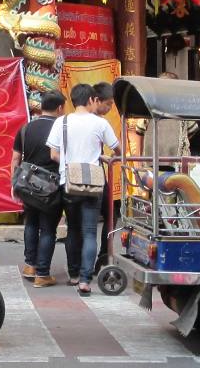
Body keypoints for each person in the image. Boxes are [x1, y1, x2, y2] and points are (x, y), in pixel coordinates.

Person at [46, 83, 120, 296]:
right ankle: (86, 281)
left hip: (68, 182)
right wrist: (100, 158)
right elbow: (117, 149)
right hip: (93, 183)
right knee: (89, 232)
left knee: (73, 229)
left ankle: (74, 275)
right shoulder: (100, 123)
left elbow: (53, 154)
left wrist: (70, 164)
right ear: (90, 100)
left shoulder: (62, 121)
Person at [11, 90, 66, 288]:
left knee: (31, 224)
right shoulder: (62, 129)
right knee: (49, 229)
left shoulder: (26, 128)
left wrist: (14, 184)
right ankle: (42, 274)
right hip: (51, 189)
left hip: (27, 185)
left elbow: (16, 159)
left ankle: (30, 266)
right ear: (60, 108)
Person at [136, 71, 199, 170]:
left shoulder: (183, 107)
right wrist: (139, 158)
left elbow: (190, 131)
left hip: (177, 162)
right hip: (151, 160)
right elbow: (140, 131)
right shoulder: (150, 105)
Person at [92, 82, 118, 272]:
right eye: (108, 104)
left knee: (85, 222)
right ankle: (103, 255)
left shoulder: (69, 120)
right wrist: (110, 157)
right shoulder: (100, 123)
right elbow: (118, 149)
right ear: (96, 100)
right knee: (110, 214)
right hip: (97, 174)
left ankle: (78, 268)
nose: (109, 109)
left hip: (75, 175)